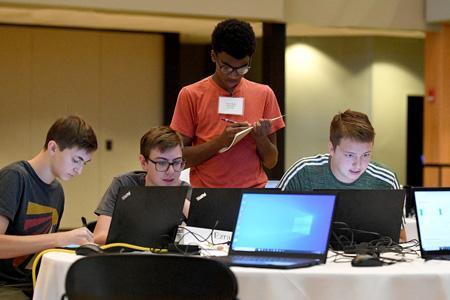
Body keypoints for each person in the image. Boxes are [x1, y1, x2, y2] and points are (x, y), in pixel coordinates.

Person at [170, 18, 285, 188]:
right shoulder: (191, 94)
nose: (233, 75)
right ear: (213, 56)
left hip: (252, 193)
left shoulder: (264, 94)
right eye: (227, 67)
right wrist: (220, 142)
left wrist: (261, 138)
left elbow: (271, 161)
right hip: (207, 195)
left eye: (242, 68)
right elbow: (176, 159)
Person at [0, 115, 98, 298]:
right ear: (53, 147)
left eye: (84, 163)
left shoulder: (57, 191)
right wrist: (59, 238)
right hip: (6, 286)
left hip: (35, 281)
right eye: (76, 160)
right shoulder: (14, 178)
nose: (80, 170)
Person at [93, 126, 189, 245]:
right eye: (162, 163)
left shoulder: (185, 191)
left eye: (177, 162)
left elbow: (207, 239)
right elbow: (99, 236)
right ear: (144, 162)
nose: (171, 171)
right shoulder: (124, 184)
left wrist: (178, 199)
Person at [278, 109, 400, 191]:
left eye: (366, 155)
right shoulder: (303, 173)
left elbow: (399, 230)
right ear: (331, 148)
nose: (358, 164)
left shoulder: (386, 180)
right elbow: (272, 218)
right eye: (350, 155)